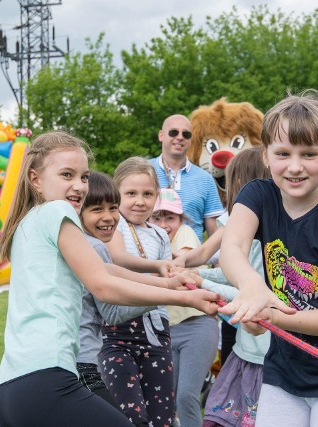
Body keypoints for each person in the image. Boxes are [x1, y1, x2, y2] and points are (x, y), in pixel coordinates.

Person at [0, 131, 219, 427]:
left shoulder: (28, 222)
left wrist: (165, 281)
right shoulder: (57, 211)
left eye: (84, 177)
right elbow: (102, 284)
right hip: (47, 381)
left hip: (10, 391)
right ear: (35, 179)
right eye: (67, 175)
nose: (79, 186)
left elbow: (104, 268)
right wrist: (184, 298)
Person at [218, 92, 318, 426]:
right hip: (284, 373)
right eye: (282, 153)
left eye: (309, 154)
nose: (294, 166)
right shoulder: (257, 196)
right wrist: (252, 289)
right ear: (265, 155)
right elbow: (231, 249)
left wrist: (273, 316)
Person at [174, 147, 273, 427]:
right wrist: (188, 268)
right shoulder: (235, 223)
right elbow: (214, 262)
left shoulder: (266, 238)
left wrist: (201, 281)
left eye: (231, 184)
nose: (227, 191)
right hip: (245, 350)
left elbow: (250, 295)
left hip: (262, 356)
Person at [79, 172, 194, 410]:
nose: (109, 217)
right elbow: (111, 304)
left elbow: (113, 274)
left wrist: (170, 285)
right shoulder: (91, 246)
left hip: (147, 333)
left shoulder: (97, 247)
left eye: (113, 208)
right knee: (124, 416)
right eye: (97, 209)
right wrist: (178, 295)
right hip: (83, 360)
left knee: (159, 413)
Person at [101, 157, 178, 427]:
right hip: (118, 330)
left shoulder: (159, 234)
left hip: (156, 332)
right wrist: (158, 266)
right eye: (131, 193)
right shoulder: (113, 225)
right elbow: (118, 259)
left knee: (163, 416)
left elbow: (169, 272)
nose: (140, 201)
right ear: (116, 194)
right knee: (131, 415)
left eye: (147, 194)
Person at [150, 188, 218, 427]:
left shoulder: (185, 233)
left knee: (187, 395)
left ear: (181, 219)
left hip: (197, 324)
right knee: (167, 401)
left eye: (170, 218)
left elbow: (183, 260)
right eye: (157, 217)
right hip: (166, 330)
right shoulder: (147, 241)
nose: (164, 224)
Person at [149, 114, 224, 242]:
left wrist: (218, 261)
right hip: (148, 255)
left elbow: (214, 231)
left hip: (192, 257)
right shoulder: (143, 171)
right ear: (161, 135)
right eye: (173, 132)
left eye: (186, 134)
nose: (179, 137)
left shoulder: (205, 179)